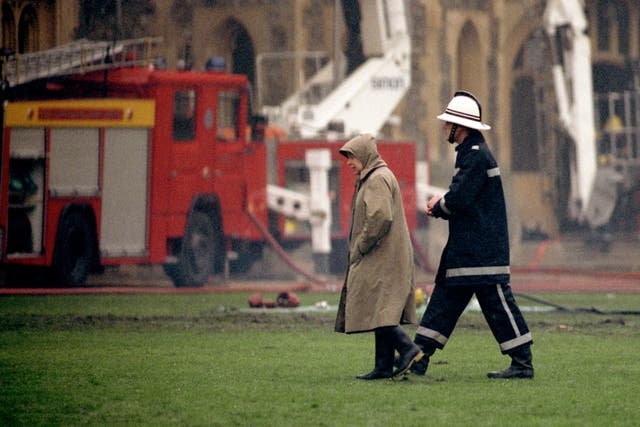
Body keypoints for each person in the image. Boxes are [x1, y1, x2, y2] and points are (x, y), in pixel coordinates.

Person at [410, 91, 534, 379]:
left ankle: (523, 363)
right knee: (444, 300)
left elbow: (461, 198)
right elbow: (465, 194)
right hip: (469, 249)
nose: (444, 128)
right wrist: (444, 202)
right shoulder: (472, 155)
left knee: (497, 304)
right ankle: (418, 356)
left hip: (481, 251)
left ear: (460, 128)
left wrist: (439, 205)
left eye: (447, 124)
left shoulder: (476, 157)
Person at [334, 133, 423, 380]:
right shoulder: (377, 176)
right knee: (381, 308)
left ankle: (408, 349)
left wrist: (360, 246)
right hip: (387, 255)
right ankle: (383, 367)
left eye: (351, 156)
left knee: (380, 309)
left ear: (364, 155)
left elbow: (380, 217)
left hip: (383, 255)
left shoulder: (376, 179)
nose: (349, 162)